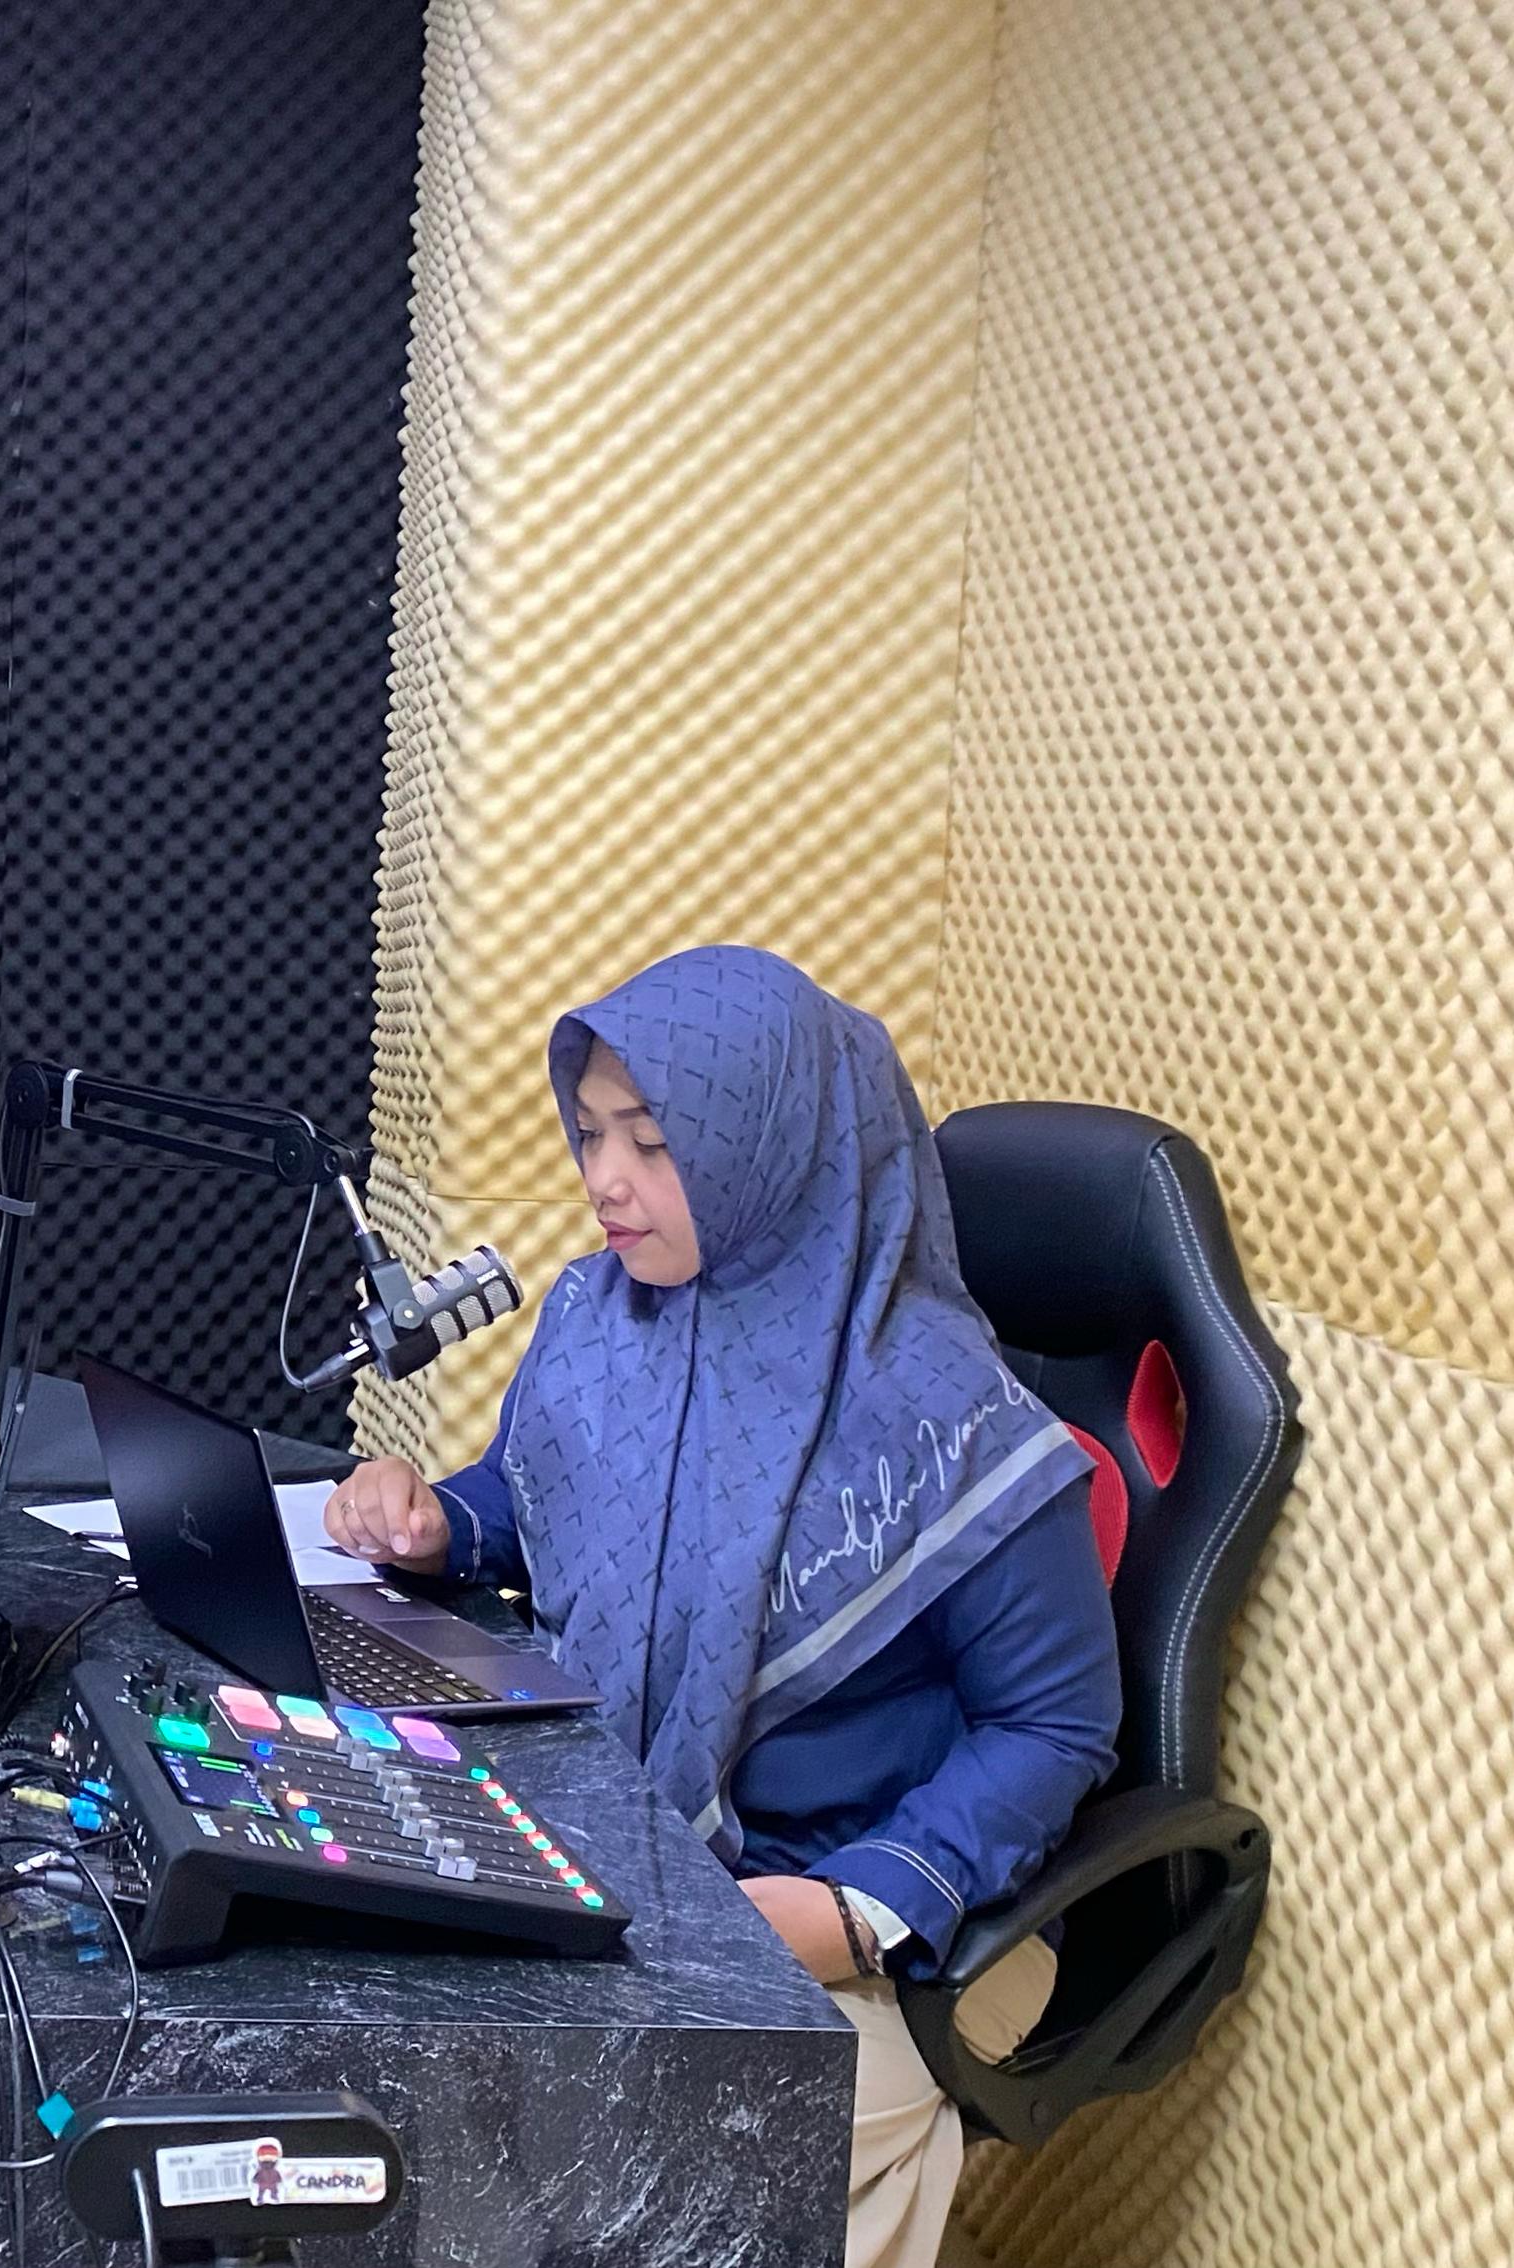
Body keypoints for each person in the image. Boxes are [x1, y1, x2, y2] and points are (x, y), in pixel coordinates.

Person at [322, 945, 1121, 2268]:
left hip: (878, 1909)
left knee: (647, 2173)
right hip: (630, 1858)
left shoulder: (946, 1415)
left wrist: (858, 1906)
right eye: (589, 1133)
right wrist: (433, 1522)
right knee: (424, 2104)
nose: (603, 1179)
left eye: (652, 1143)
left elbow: (1053, 1728)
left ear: (775, 1149)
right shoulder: (599, 1320)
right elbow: (529, 1496)